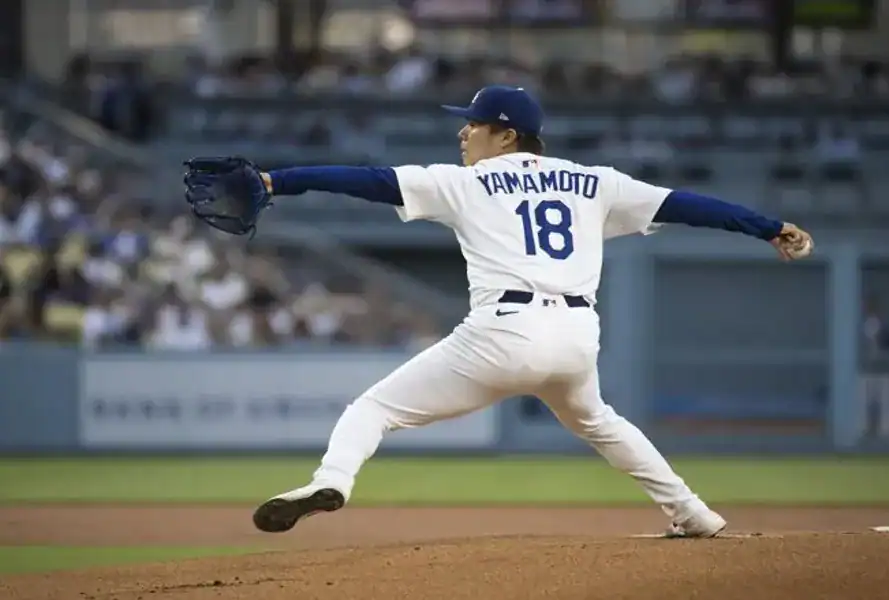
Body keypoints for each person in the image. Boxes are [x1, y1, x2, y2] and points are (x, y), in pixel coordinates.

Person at [246, 85, 814, 537]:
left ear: (507, 135)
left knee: (372, 409)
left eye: (475, 123)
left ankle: (334, 480)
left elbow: (367, 181)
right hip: (575, 338)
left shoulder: (464, 183)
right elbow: (688, 205)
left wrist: (277, 180)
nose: (463, 131)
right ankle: (693, 513)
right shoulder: (595, 183)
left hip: (502, 333)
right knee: (600, 423)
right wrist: (768, 227)